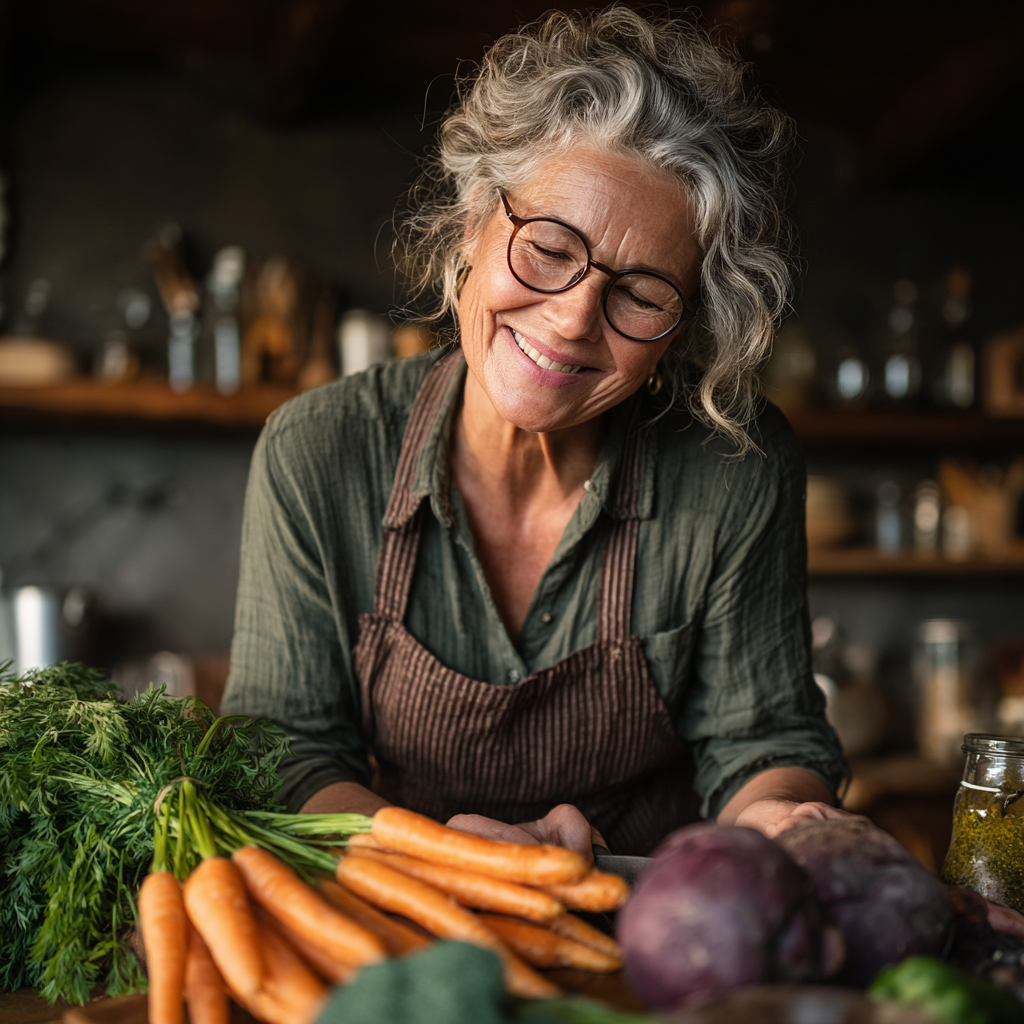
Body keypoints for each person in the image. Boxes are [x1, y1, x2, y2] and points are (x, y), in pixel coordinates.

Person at [223, 6, 850, 858]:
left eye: (642, 293)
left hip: (653, 922)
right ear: (473, 222)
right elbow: (284, 751)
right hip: (405, 907)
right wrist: (453, 863)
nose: (572, 319)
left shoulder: (735, 466)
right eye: (550, 248)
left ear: (684, 328)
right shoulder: (318, 451)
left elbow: (763, 742)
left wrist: (785, 818)